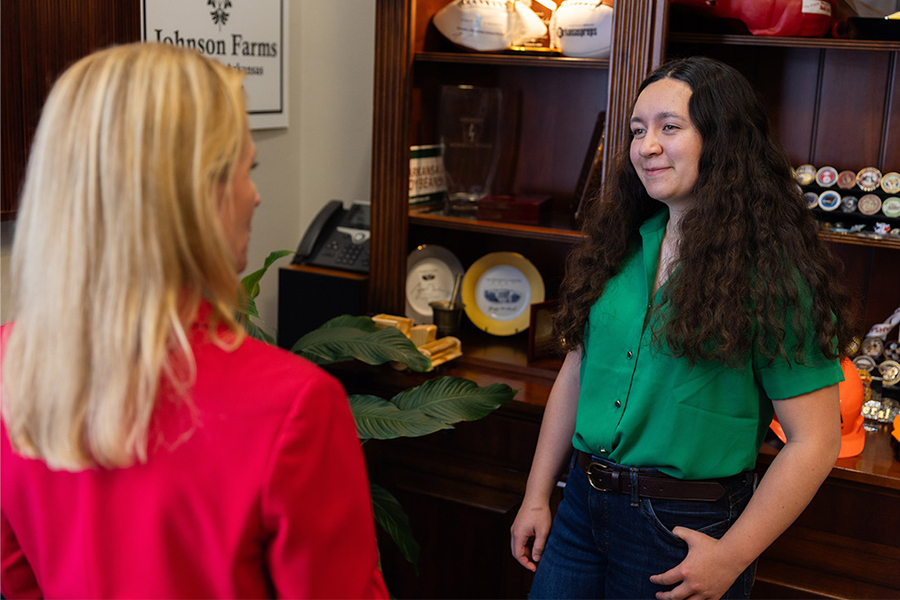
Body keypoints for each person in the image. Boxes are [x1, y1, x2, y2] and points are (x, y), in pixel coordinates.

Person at [1, 42, 388, 599]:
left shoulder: (9, 365)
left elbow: (18, 584)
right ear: (195, 193)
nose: (255, 196)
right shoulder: (296, 407)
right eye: (246, 169)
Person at [510, 56, 857, 600]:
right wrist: (536, 494)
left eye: (669, 127)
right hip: (581, 502)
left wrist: (732, 558)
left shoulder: (773, 273)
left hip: (681, 526)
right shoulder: (620, 245)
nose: (646, 146)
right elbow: (577, 375)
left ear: (722, 140)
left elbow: (815, 442)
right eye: (637, 130)